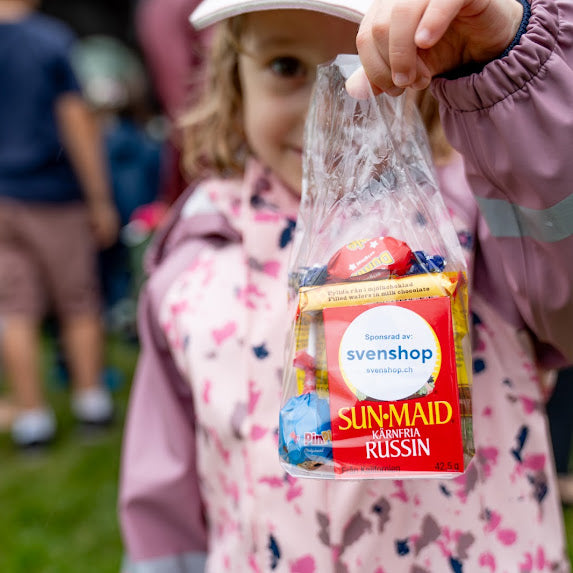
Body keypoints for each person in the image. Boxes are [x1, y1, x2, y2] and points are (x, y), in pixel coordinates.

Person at [119, 0, 573, 571]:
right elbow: (164, 479)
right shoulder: (195, 262)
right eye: (285, 66)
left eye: (370, 63)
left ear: (429, 78)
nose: (325, 106)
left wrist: (509, 74)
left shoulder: (487, 219)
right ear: (232, 82)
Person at [0, 0, 119, 447]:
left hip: (2, 198)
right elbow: (76, 122)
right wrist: (100, 199)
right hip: (53, 194)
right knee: (78, 301)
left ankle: (33, 421)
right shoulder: (48, 39)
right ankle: (92, 405)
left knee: (14, 309)